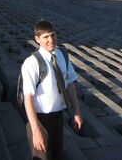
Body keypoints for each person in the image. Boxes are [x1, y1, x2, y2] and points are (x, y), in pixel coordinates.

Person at [21, 19, 83, 160]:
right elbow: (28, 98)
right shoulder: (32, 63)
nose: (51, 40)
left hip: (58, 116)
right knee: (42, 157)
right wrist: (35, 130)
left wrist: (76, 111)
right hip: (39, 119)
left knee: (57, 155)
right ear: (37, 39)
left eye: (53, 35)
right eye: (46, 37)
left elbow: (70, 84)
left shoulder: (62, 55)